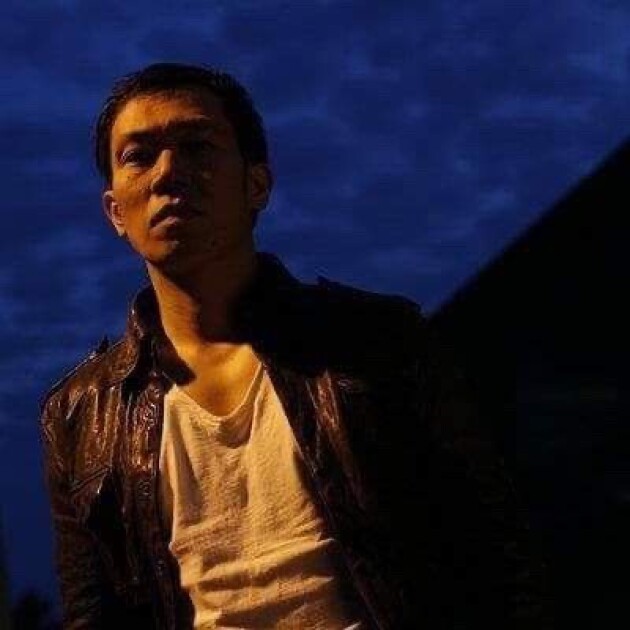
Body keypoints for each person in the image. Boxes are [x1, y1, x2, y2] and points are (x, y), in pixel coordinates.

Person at [40, 62, 553, 629]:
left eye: (197, 146)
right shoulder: (80, 414)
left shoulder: (376, 342)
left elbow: (499, 555)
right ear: (115, 211)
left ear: (256, 185)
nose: (168, 173)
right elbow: (92, 616)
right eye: (139, 155)